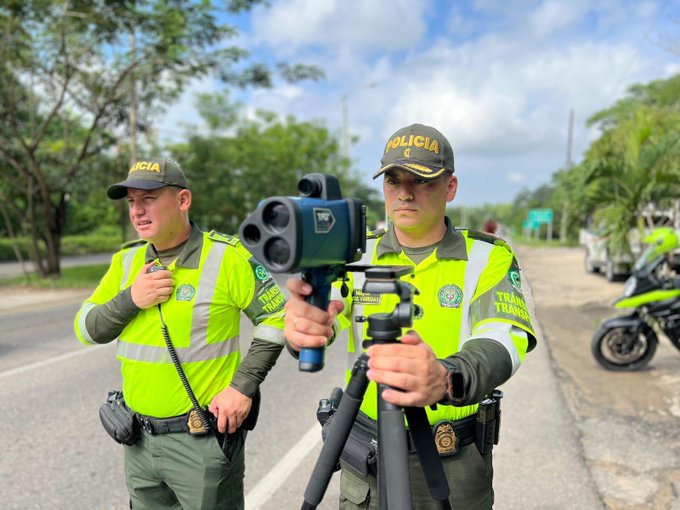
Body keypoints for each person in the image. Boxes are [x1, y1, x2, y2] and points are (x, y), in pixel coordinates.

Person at [284, 123, 536, 509]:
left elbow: (504, 337)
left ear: (450, 188)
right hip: (365, 456)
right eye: (393, 179)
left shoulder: (487, 257)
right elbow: (324, 317)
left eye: (421, 180)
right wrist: (304, 327)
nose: (404, 192)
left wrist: (448, 376)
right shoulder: (353, 253)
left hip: (452, 461)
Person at [74, 157, 287, 510]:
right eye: (131, 202)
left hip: (201, 442)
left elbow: (278, 316)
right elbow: (86, 328)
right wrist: (131, 298)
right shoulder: (126, 263)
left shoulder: (228, 257)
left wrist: (242, 387)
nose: (137, 211)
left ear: (183, 200)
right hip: (138, 441)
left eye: (149, 199)